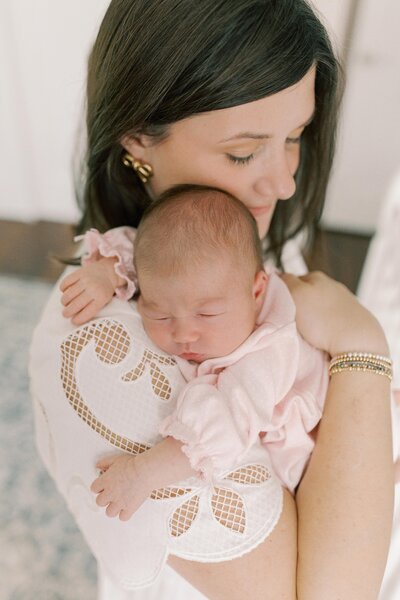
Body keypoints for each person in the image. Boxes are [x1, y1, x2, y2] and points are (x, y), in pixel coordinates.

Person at [29, 1, 395, 598]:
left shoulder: (235, 241)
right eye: (244, 153)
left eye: (295, 138)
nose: (283, 183)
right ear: (138, 138)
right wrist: (362, 348)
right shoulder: (103, 353)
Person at [60, 185, 330, 514]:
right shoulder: (218, 280)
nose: (184, 333)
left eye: (207, 315)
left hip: (329, 449)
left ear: (257, 290)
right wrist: (107, 272)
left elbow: (229, 420)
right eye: (160, 314)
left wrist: (143, 473)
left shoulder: (270, 350)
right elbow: (152, 256)